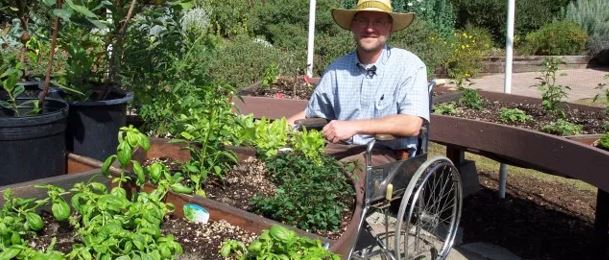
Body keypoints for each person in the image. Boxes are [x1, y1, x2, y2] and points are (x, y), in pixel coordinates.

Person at [288, 0, 429, 165]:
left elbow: (412, 124)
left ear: (390, 27)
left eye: (378, 21)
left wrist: (353, 126)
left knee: (332, 178)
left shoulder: (409, 65)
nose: (369, 28)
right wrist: (275, 129)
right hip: (341, 149)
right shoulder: (337, 70)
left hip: (388, 155)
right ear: (353, 26)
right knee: (292, 165)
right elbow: (311, 113)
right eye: (362, 20)